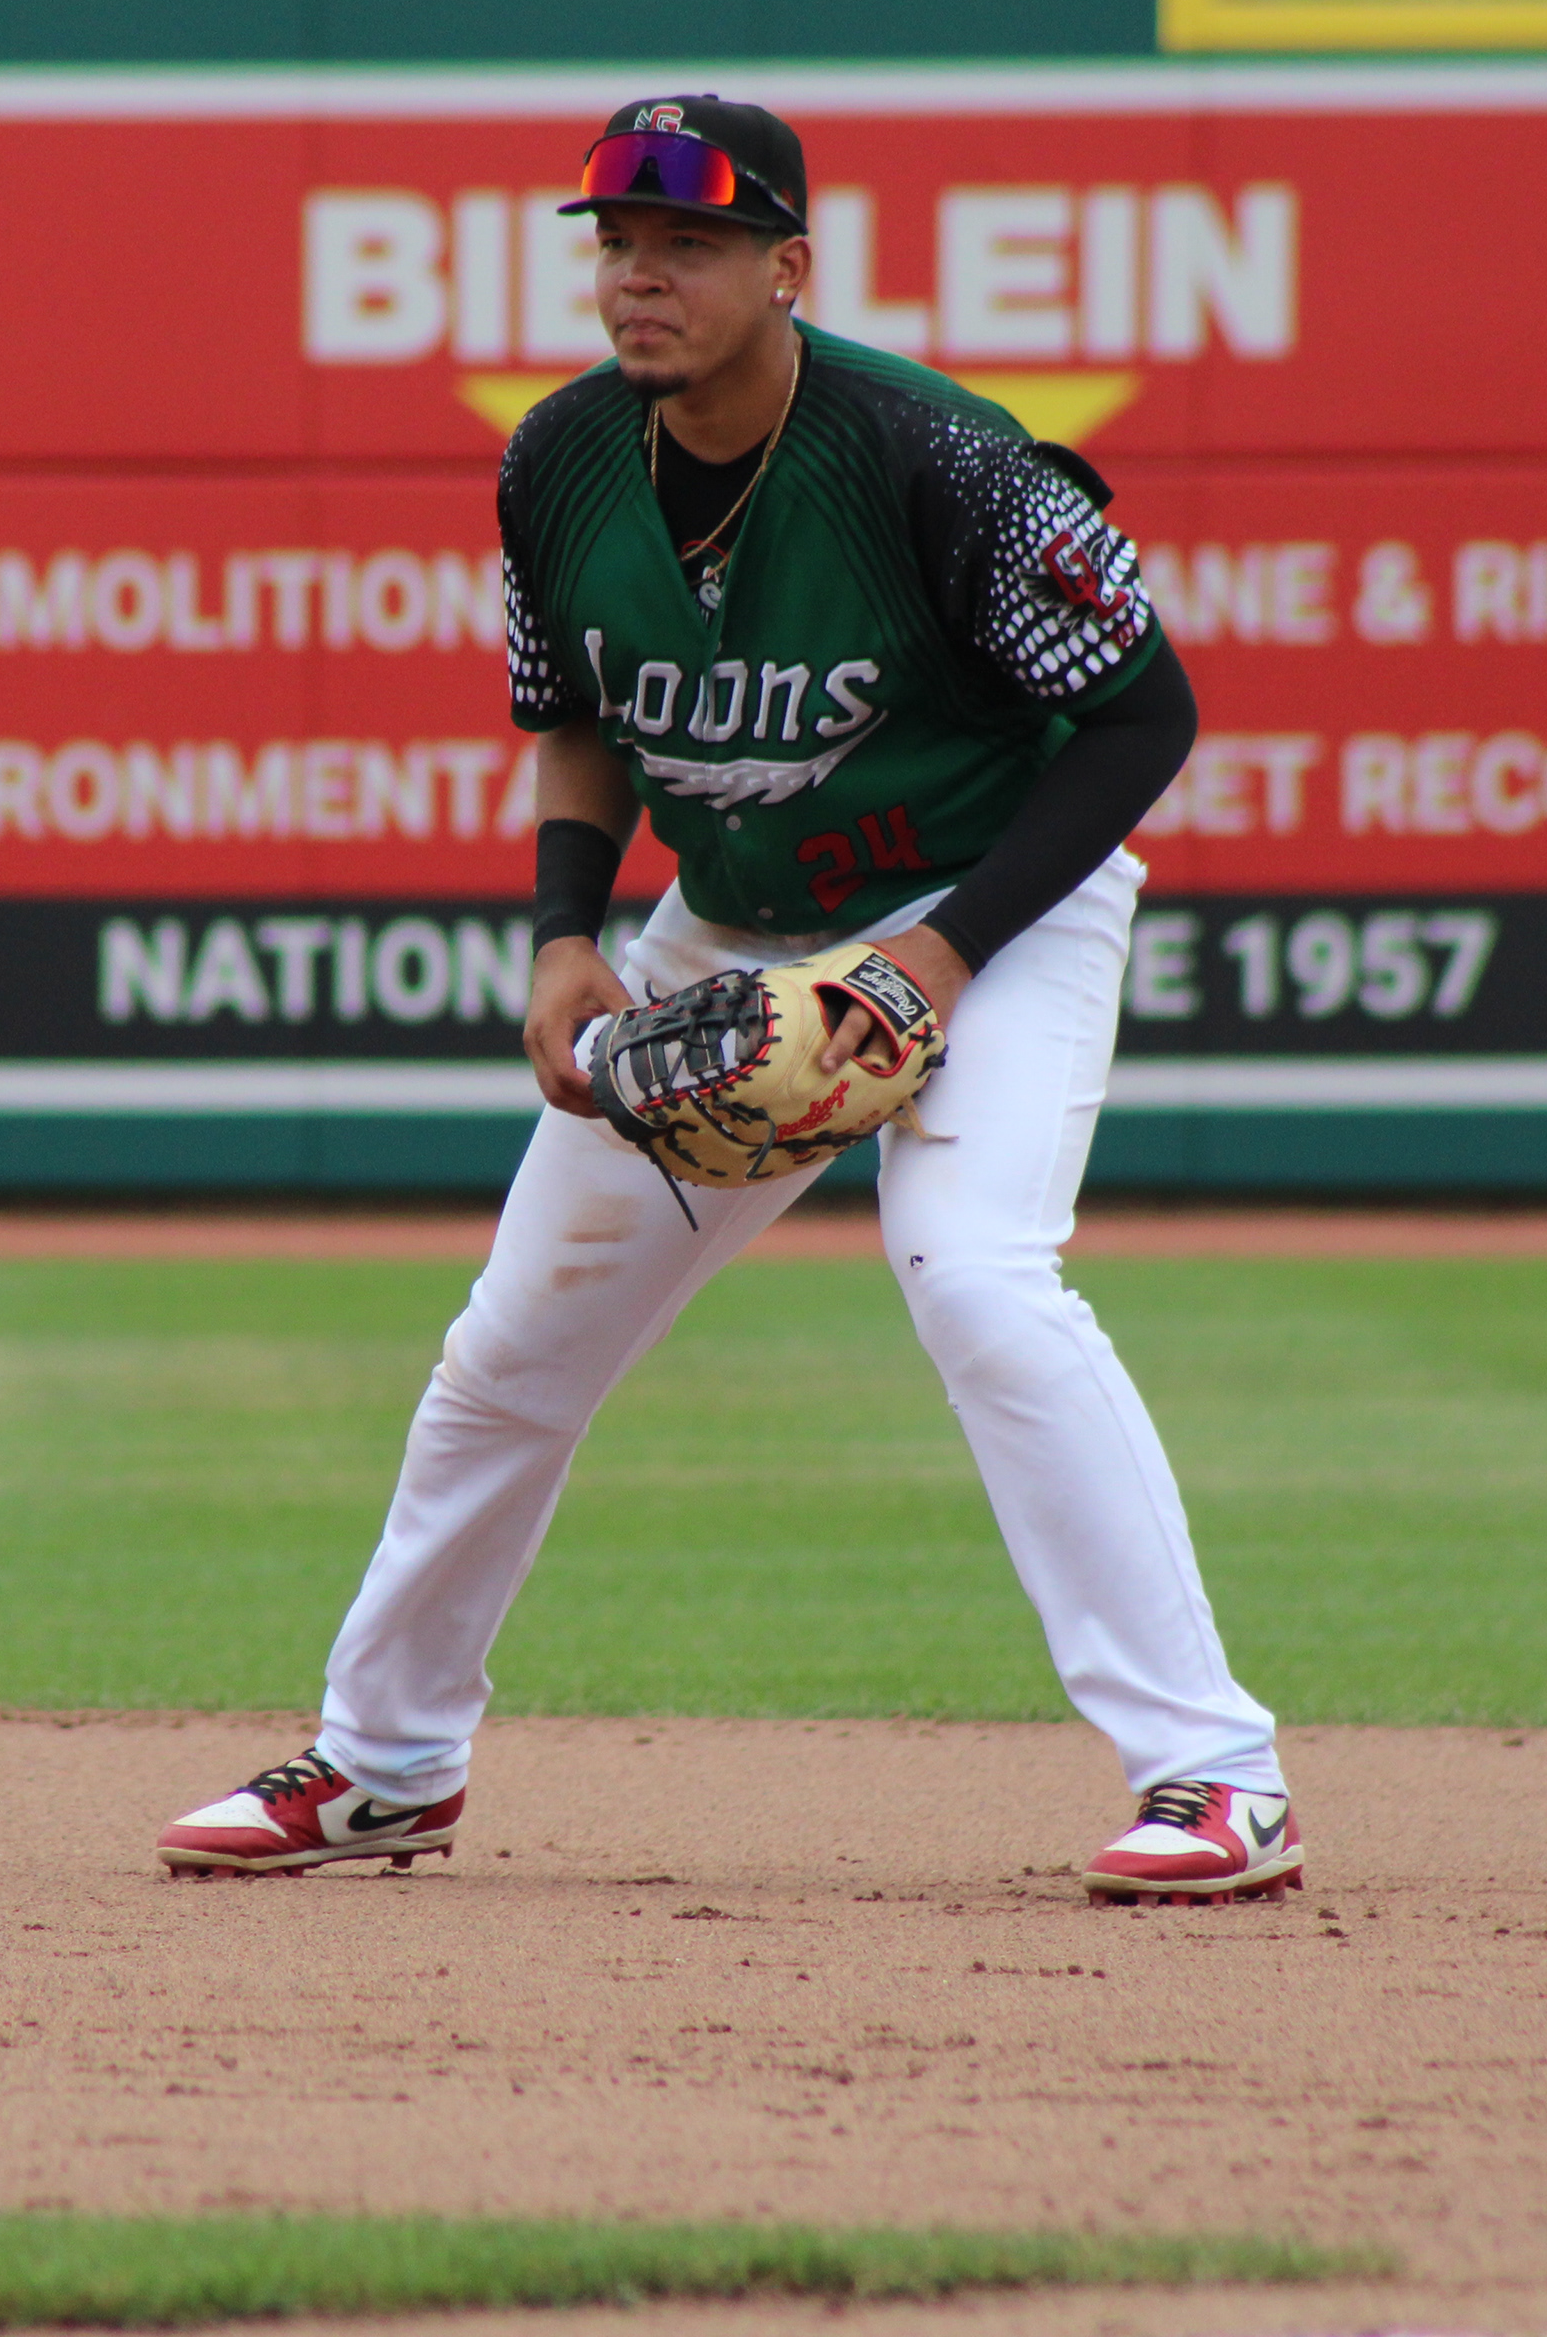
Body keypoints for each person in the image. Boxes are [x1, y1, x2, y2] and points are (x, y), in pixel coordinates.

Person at [154, 95, 1297, 1904]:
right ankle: (385, 1763)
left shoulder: (937, 457)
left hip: (988, 910)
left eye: (687, 243)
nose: (640, 276)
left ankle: (1215, 1775)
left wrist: (940, 959)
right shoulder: (558, 459)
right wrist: (565, 933)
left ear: (788, 268)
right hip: (731, 927)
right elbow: (575, 715)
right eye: (617, 242)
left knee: (981, 1281)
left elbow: (1145, 716)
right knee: (511, 1350)